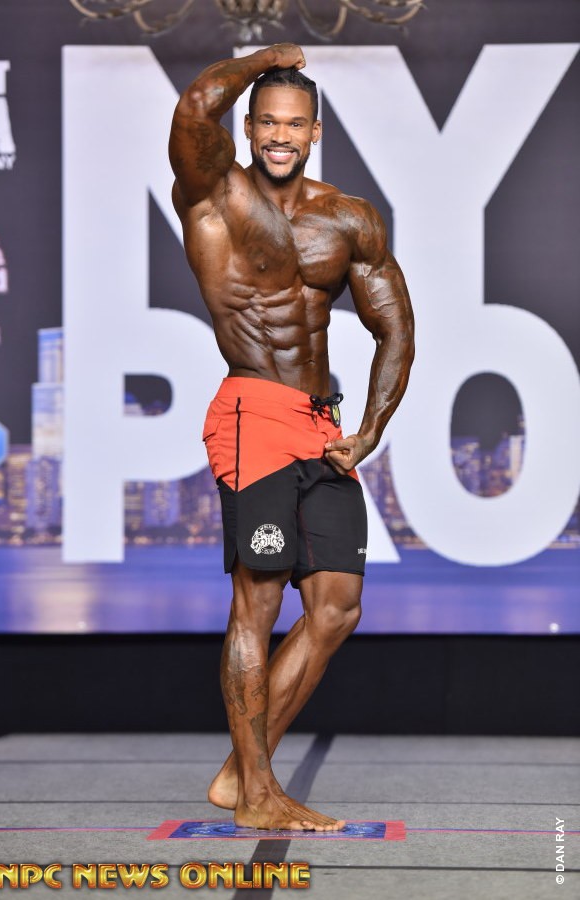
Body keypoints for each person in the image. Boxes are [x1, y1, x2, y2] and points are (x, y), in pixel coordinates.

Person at [169, 43, 414, 831]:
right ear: (249, 128)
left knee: (337, 606)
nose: (281, 135)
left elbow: (395, 328)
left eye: (295, 123)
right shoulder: (213, 190)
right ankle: (259, 793)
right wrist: (266, 58)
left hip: (320, 425)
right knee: (260, 599)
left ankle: (241, 774)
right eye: (268, 122)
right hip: (251, 414)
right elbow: (195, 107)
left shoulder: (348, 218)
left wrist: (370, 429)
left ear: (315, 132)